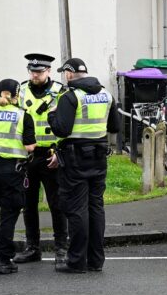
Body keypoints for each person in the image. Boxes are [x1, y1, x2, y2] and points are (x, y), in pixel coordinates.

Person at [48, 58, 119, 274]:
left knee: (77, 209)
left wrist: (52, 115)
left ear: (69, 74)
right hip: (98, 157)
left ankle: (76, 261)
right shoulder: (106, 94)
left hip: (75, 158)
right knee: (96, 207)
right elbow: (114, 126)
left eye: (64, 73)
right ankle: (96, 261)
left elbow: (62, 130)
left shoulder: (71, 97)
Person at [14, 53, 69, 265]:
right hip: (28, 156)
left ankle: (61, 249)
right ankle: (32, 248)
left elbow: (65, 125)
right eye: (32, 71)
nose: (35, 74)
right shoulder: (21, 90)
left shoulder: (60, 92)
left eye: (39, 71)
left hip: (51, 154)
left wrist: (59, 152)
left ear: (48, 71)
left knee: (57, 204)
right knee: (28, 205)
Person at [0, 79, 36, 275]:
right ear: (17, 94)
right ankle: (4, 261)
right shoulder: (22, 116)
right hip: (10, 171)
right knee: (8, 217)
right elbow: (29, 147)